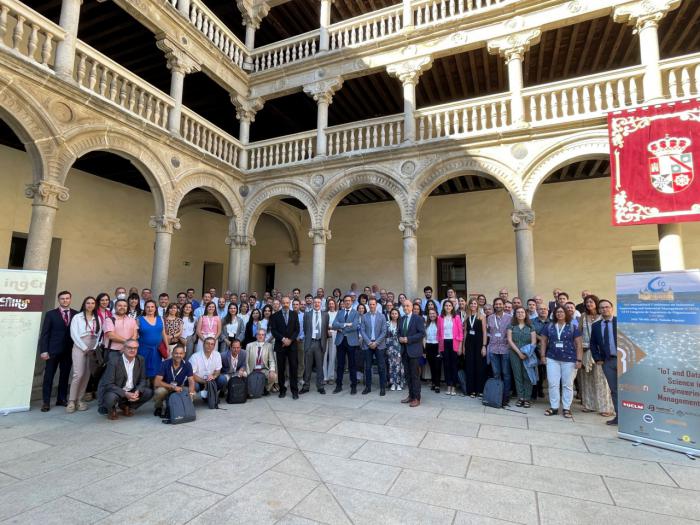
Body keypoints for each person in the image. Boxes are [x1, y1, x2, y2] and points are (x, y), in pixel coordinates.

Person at [541, 305, 583, 418]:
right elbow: (544, 342)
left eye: (562, 312)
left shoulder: (573, 326)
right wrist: (542, 356)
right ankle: (554, 407)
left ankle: (566, 408)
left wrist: (579, 359)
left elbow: (579, 344)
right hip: (552, 358)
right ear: (554, 314)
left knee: (567, 385)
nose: (559, 314)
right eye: (557, 312)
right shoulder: (549, 326)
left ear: (566, 314)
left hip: (569, 359)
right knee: (553, 383)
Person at [39, 291, 77, 412]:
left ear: (70, 299)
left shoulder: (76, 314)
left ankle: (61, 399)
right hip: (52, 351)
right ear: (59, 300)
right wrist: (44, 350)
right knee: (49, 376)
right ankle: (46, 402)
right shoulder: (51, 314)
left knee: (65, 376)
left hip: (68, 350)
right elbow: (44, 334)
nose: (65, 300)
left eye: (67, 298)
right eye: (62, 299)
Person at [578, 295, 615, 417]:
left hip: (600, 353)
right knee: (587, 379)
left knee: (601, 380)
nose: (589, 304)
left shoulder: (603, 317)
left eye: (591, 302)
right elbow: (579, 332)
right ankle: (589, 405)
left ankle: (606, 407)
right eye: (587, 302)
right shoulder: (583, 316)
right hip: (585, 350)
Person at [99, 339, 153, 420]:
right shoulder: (114, 361)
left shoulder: (140, 360)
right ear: (123, 348)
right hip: (116, 391)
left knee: (148, 392)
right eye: (129, 348)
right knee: (110, 398)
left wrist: (138, 390)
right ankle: (111, 409)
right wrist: (125, 393)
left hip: (132, 390)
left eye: (135, 348)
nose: (132, 350)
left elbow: (143, 379)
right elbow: (108, 384)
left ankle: (126, 406)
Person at [66, 296, 101, 413]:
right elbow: (73, 334)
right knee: (78, 374)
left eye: (92, 303)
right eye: (88, 303)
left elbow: (100, 334)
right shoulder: (77, 317)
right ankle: (71, 401)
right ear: (84, 304)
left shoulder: (98, 318)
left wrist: (95, 348)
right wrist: (84, 347)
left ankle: (80, 400)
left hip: (93, 346)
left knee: (86, 374)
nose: (90, 305)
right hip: (80, 345)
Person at [590, 299, 619, 425]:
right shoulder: (596, 326)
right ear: (599, 310)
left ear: (612, 308)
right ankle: (619, 416)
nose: (604, 309)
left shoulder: (620, 322)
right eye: (602, 308)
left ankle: (632, 416)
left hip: (623, 360)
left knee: (628, 389)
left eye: (607, 307)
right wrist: (598, 358)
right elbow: (593, 344)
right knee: (614, 390)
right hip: (607, 362)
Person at [152, 343, 195, 417]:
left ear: (184, 355)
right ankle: (158, 407)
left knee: (192, 393)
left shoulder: (187, 364)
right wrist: (173, 387)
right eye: (176, 353)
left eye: (181, 353)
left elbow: (191, 381)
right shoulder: (165, 363)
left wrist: (191, 393)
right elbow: (156, 382)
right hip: (166, 387)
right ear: (172, 354)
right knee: (159, 392)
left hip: (179, 387)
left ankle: (182, 408)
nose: (178, 355)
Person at [270, 297, 301, 399]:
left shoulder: (294, 314)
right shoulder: (275, 316)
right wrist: (283, 339)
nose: (285, 304)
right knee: (281, 369)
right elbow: (274, 331)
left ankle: (294, 391)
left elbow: (297, 330)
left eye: (287, 302)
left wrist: (290, 340)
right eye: (283, 302)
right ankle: (282, 390)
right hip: (280, 345)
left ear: (290, 303)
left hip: (292, 346)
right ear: (280, 304)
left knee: (293, 368)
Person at [507, 306, 537, 408]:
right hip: (514, 353)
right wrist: (519, 353)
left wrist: (526, 353)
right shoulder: (511, 326)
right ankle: (521, 398)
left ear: (525, 314)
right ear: (515, 314)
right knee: (517, 375)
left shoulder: (531, 326)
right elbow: (510, 340)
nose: (520, 314)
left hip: (528, 354)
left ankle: (527, 398)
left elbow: (533, 342)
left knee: (527, 376)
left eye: (522, 312)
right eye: (518, 312)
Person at [332, 295, 361, 395]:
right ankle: (338, 385)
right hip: (340, 341)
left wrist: (341, 327)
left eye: (349, 301)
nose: (347, 302)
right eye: (346, 301)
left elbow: (354, 326)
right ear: (343, 302)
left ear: (351, 302)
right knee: (340, 365)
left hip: (351, 342)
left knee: (352, 365)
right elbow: (334, 324)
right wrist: (345, 324)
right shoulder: (339, 312)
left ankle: (353, 386)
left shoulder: (356, 313)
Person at [399, 299, 426, 407]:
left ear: (411, 307)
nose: (405, 308)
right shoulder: (401, 319)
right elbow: (399, 333)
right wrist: (399, 338)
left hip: (414, 351)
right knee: (408, 375)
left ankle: (416, 398)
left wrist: (408, 339)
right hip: (404, 351)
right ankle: (410, 395)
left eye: (407, 306)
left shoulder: (418, 318)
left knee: (415, 376)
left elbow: (422, 333)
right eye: (404, 306)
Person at [486, 297, 513, 406]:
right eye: (496, 304)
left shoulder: (510, 318)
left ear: (503, 305)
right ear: (494, 305)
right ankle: (497, 394)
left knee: (506, 374)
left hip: (505, 349)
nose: (498, 306)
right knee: (496, 373)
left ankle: (505, 396)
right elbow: (488, 332)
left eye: (500, 304)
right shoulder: (490, 318)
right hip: (493, 349)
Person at [359, 297, 388, 396]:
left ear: (376, 305)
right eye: (370, 304)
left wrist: (376, 343)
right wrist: (369, 342)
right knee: (367, 367)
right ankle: (368, 387)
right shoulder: (364, 316)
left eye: (373, 304)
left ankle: (382, 387)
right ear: (368, 305)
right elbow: (362, 330)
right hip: (368, 345)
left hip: (379, 345)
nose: (371, 306)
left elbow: (384, 331)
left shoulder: (382, 316)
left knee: (381, 367)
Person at [302, 297, 329, 394]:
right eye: (315, 302)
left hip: (320, 343)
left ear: (321, 303)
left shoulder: (325, 315)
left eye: (319, 302)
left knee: (319, 366)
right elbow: (305, 329)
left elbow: (325, 329)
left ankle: (320, 386)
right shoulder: (307, 314)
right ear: (312, 303)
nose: (317, 304)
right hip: (310, 342)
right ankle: (306, 386)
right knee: (308, 366)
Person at [463, 297, 488, 397]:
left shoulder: (482, 316)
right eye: (471, 304)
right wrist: (464, 346)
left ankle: (480, 390)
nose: (473, 305)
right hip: (469, 344)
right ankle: (471, 390)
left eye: (475, 303)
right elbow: (465, 332)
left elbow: (485, 332)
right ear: (469, 305)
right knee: (470, 366)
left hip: (479, 344)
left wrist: (484, 346)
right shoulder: (466, 316)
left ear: (477, 305)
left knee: (479, 366)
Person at [137, 299, 167, 382]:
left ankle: (155, 386)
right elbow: (135, 335)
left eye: (152, 307)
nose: (150, 309)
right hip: (143, 350)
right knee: (143, 370)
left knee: (157, 370)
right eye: (148, 307)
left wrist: (167, 347)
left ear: (155, 308)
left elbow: (163, 334)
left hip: (157, 350)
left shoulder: (160, 318)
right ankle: (143, 387)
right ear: (145, 308)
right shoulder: (139, 319)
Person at [438, 300, 463, 396]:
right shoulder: (440, 318)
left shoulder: (456, 317)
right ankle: (448, 385)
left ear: (452, 307)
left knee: (454, 365)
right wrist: (439, 348)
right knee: (446, 365)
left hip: (454, 343)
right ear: (443, 307)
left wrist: (460, 346)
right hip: (444, 343)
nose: (448, 307)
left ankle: (454, 386)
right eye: (446, 305)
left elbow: (461, 333)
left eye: (449, 305)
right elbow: (439, 333)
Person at [102, 298, 139, 362]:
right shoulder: (109, 320)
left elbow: (135, 335)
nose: (122, 307)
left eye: (125, 306)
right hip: (113, 352)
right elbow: (111, 336)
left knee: (127, 371)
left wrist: (127, 346)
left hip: (129, 351)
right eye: (120, 306)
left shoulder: (132, 320)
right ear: (115, 307)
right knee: (112, 371)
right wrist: (128, 344)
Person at [246, 328, 277, 395]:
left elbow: (271, 360)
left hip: (263, 369)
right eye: (259, 334)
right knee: (245, 375)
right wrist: (248, 373)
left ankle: (266, 389)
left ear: (265, 336)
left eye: (263, 335)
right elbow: (246, 361)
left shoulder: (269, 346)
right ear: (256, 335)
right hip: (252, 369)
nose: (260, 336)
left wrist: (272, 370)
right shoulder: (249, 345)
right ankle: (252, 388)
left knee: (273, 375)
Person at [531, 304, 550, 400]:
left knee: (546, 371)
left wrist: (544, 340)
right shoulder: (532, 321)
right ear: (537, 311)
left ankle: (542, 388)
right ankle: (536, 389)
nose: (543, 311)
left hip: (549, 349)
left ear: (548, 310)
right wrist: (543, 339)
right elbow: (532, 333)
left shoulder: (552, 321)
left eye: (544, 309)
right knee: (536, 370)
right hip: (536, 349)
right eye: (540, 309)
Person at [385, 308, 404, 391]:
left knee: (399, 365)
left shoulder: (401, 324)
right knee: (391, 365)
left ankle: (399, 383)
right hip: (389, 346)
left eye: (396, 313)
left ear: (398, 314)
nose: (394, 315)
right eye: (392, 313)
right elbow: (384, 335)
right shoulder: (387, 323)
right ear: (390, 314)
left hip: (399, 346)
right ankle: (393, 383)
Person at [424, 309, 441, 393]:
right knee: (431, 366)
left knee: (437, 366)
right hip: (428, 346)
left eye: (433, 313)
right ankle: (433, 382)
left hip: (437, 346)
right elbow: (425, 337)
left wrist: (440, 350)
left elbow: (441, 337)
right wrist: (424, 350)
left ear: (436, 314)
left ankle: (437, 385)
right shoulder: (427, 324)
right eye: (430, 314)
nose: (432, 315)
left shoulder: (439, 324)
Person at [323, 298, 338, 385]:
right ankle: (324, 377)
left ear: (335, 304)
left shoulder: (338, 314)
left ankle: (331, 376)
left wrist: (330, 328)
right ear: (328, 305)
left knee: (332, 356)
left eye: (333, 303)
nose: (331, 305)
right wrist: (327, 330)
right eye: (330, 304)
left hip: (335, 335)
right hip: (325, 335)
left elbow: (338, 325)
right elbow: (322, 324)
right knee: (324, 356)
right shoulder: (325, 314)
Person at [293, 299, 306, 389]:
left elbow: (306, 328)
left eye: (297, 304)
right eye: (294, 304)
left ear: (300, 305)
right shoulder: (288, 315)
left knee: (301, 360)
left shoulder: (303, 316)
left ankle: (300, 377)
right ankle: (288, 378)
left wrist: (300, 337)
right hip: (291, 341)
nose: (295, 306)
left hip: (300, 340)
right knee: (289, 361)